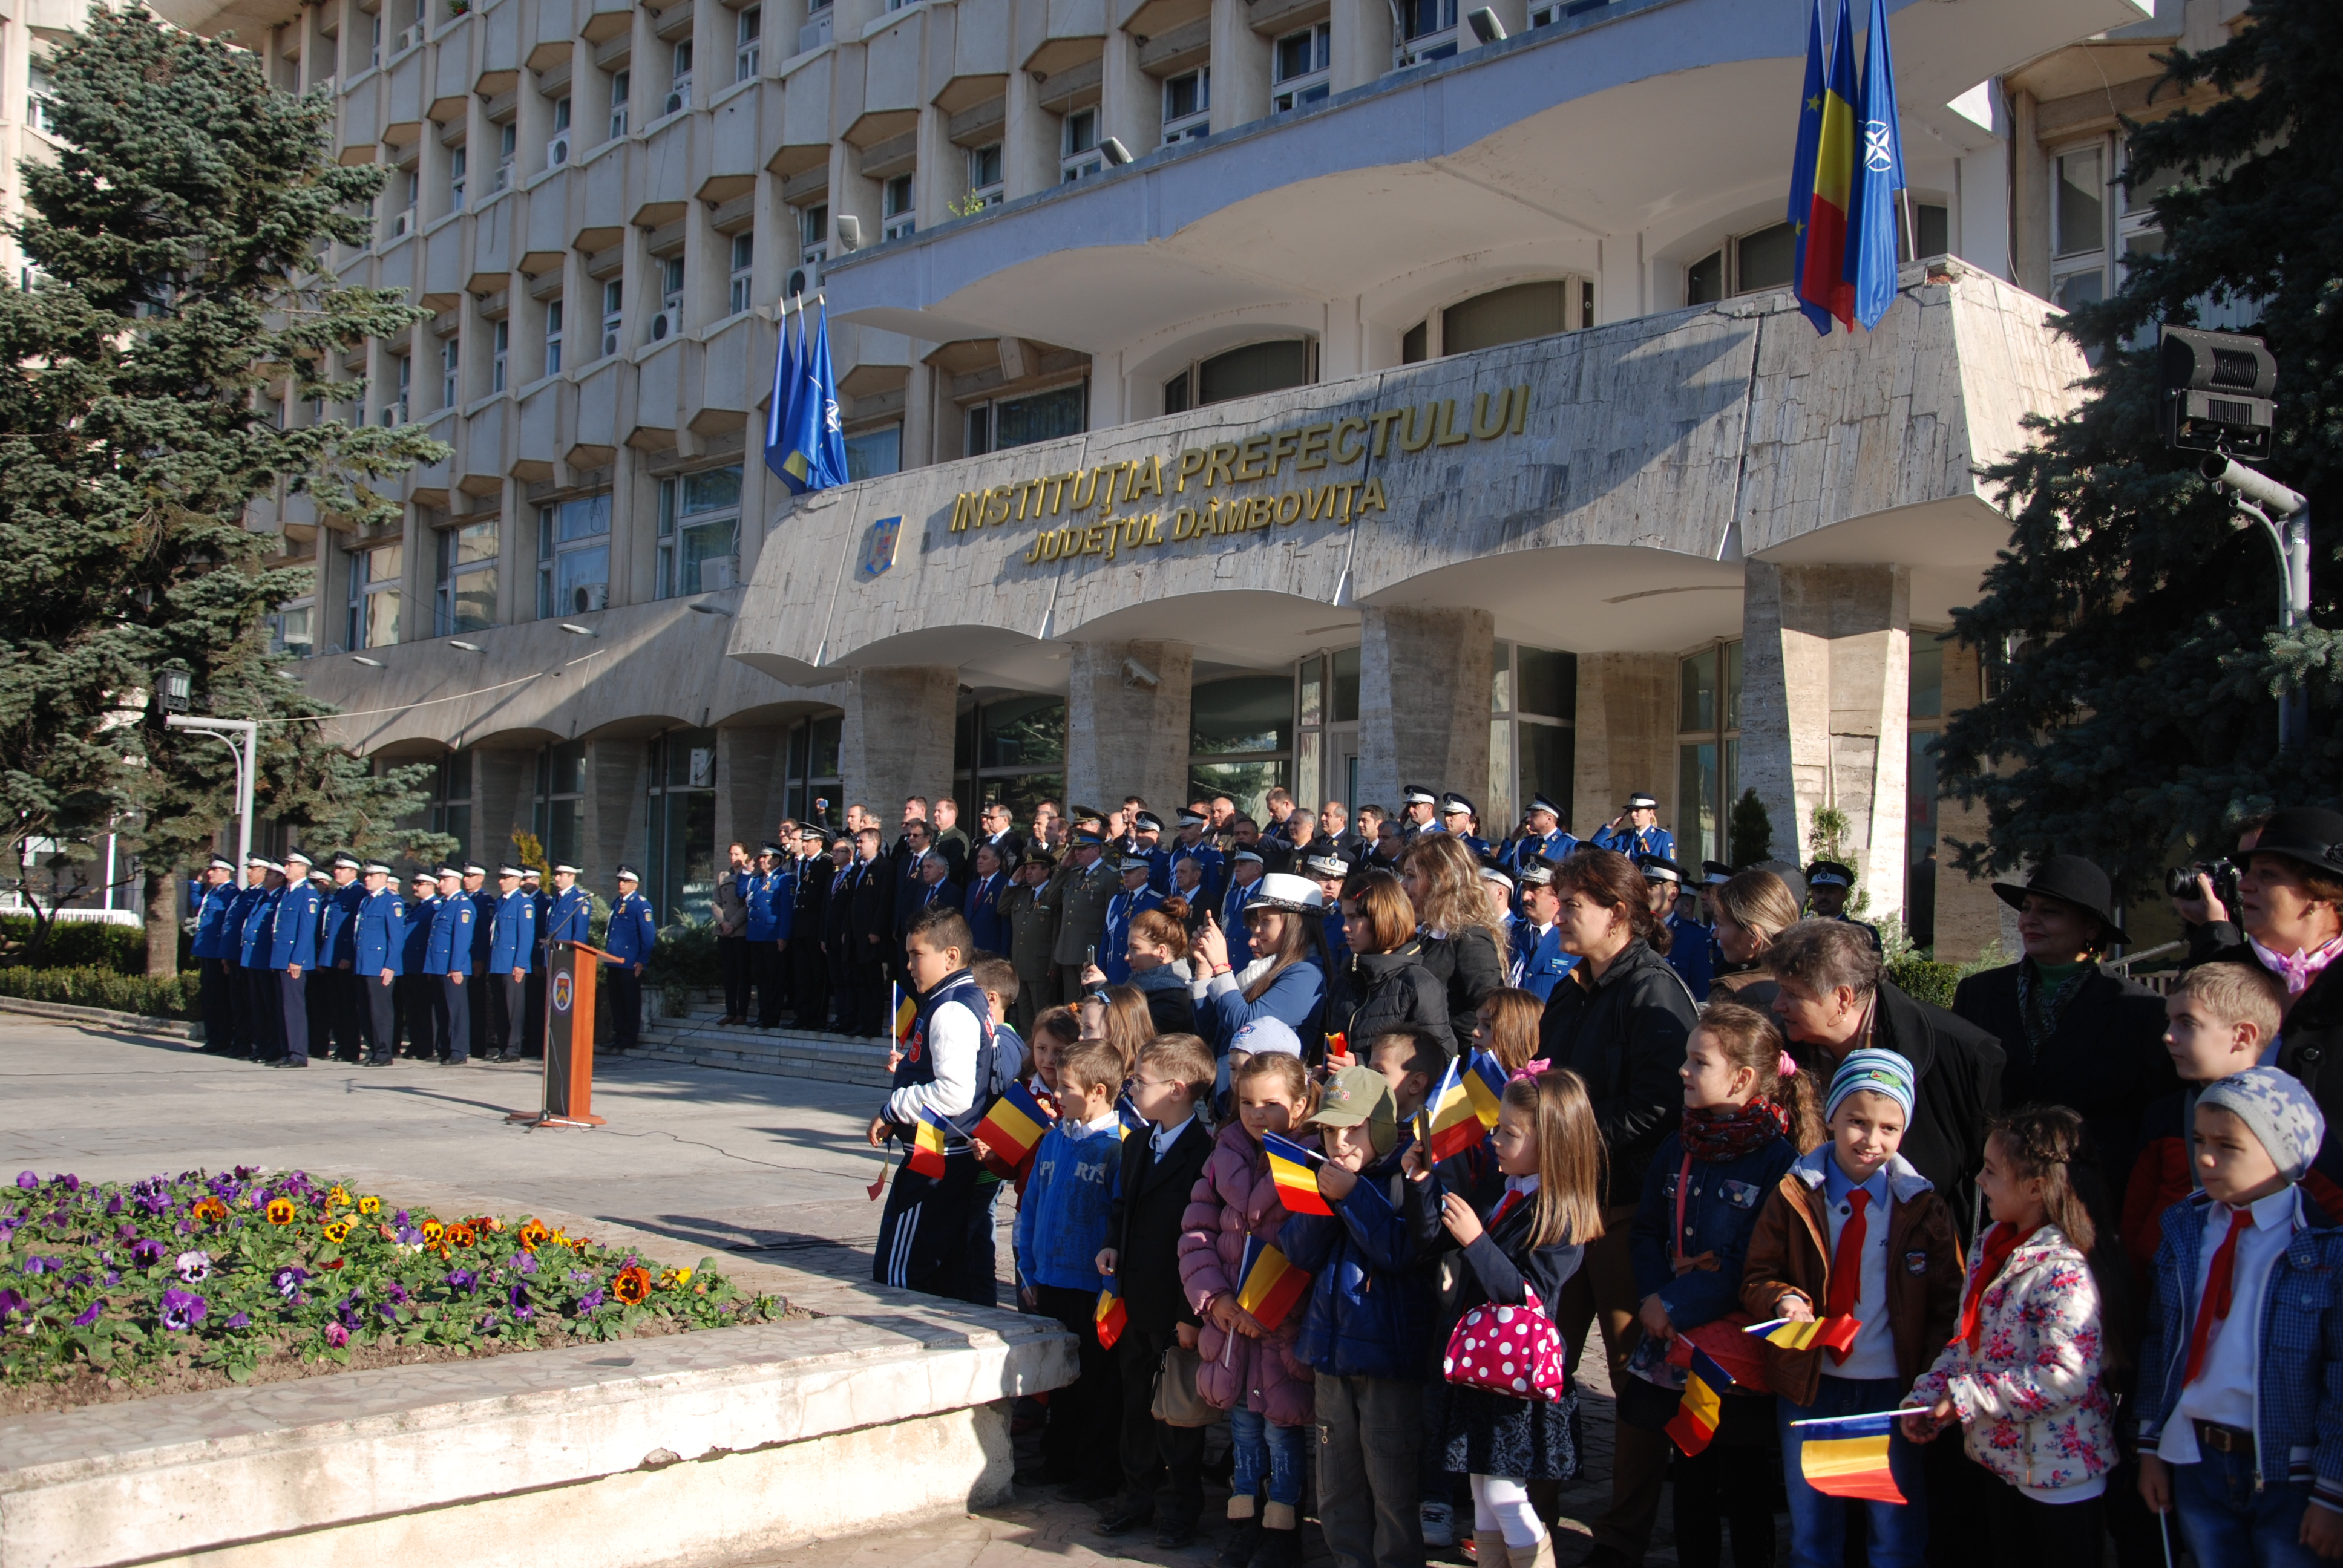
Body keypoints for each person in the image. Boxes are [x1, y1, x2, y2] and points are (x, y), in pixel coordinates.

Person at [1530, 846, 1699, 1567]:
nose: (1558, 915)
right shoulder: (1570, 990)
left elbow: (1662, 1104)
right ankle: (1529, 1515)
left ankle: (1622, 1537)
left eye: (1572, 905)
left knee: (1634, 1379)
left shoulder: (1652, 992)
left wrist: (1575, 1139)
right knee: (1539, 1362)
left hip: (1625, 1209)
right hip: (1560, 1204)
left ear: (1617, 913)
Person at [1741, 1048, 1963, 1568]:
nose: (1871, 1140)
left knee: (1893, 1533)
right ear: (1833, 1117)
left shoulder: (1922, 1207)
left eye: (1889, 1128)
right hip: (1813, 1387)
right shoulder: (1796, 1195)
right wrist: (1783, 1298)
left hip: (1890, 1391)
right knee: (1814, 1531)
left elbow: (1947, 1302)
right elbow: (1757, 1275)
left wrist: (1932, 1379)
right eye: (1858, 1122)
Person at [1627, 1001, 1818, 1568]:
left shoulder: (1778, 1163)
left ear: (1742, 1078)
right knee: (1690, 1472)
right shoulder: (1678, 1145)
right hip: (1677, 1345)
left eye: (1698, 1062)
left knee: (1743, 1482)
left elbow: (1753, 1260)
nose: (1683, 1071)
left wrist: (1677, 1302)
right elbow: (1647, 1229)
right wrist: (1653, 1296)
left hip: (1734, 1357)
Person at [2134, 1067, 2343, 1566]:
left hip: (2291, 1476)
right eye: (2199, 1141)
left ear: (2283, 1155)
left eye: (2227, 1146)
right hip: (2196, 1459)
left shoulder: (2325, 1250)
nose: (2205, 1158)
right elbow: (2160, 1340)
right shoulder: (2186, 1228)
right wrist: (2150, 1446)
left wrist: (2333, 1492)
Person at [1900, 1106, 2121, 1566]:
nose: (1978, 1180)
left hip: (2060, 1480)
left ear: (2036, 1187)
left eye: (1992, 1171)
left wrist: (1966, 1398)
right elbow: (1968, 1342)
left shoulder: (2064, 1270)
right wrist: (1929, 1394)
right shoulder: (1992, 1247)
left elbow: (2064, 1378)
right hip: (2002, 1466)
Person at [1410, 1068, 1606, 1568]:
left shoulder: (1560, 1215)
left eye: (1510, 1132)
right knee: (1482, 1492)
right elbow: (1433, 1240)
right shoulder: (1504, 1190)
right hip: (1485, 1368)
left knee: (1503, 1493)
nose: (1495, 1139)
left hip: (1518, 1377)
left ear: (1552, 1144)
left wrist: (1477, 1241)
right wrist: (1422, 1185)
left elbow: (1527, 1295)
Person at [1279, 1065, 1438, 1568]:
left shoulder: (1408, 1176)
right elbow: (1298, 1252)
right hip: (1332, 1354)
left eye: (1353, 1130)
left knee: (1391, 1481)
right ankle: (1349, 1559)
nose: (1339, 1143)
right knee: (1336, 1478)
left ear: (1383, 1128)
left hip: (1387, 1360)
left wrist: (1353, 1197)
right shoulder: (1324, 1175)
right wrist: (1325, 1199)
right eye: (1330, 1132)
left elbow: (1401, 1251)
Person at [1953, 855, 2175, 1214]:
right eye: (2027, 908)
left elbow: (2147, 1120)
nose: (2030, 920)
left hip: (2091, 1201)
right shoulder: (1979, 994)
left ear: (2091, 928)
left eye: (2050, 911)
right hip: (1998, 1198)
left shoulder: (2138, 1010)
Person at [1766, 918, 2006, 1238]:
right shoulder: (1778, 1051)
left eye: (1792, 993)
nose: (1777, 1005)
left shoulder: (1966, 1057)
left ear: (1843, 999)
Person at [1180, 1046, 1317, 1568]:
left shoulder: (1308, 1160)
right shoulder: (1224, 1154)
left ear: (1299, 1105)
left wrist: (1272, 1307)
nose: (1257, 1114)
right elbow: (1197, 1232)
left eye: (1271, 1104)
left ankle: (1283, 1529)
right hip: (1231, 1328)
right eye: (1247, 1103)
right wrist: (1214, 1298)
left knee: (1282, 1433)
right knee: (1242, 1432)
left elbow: (1311, 1244)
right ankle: (1244, 1523)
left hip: (1280, 1329)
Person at [1095, 1033, 1218, 1547]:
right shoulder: (1136, 1143)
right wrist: (1113, 1244)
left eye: (1139, 1081)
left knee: (1178, 1417)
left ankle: (1179, 1508)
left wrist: (1191, 1314)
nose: (1131, 1088)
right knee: (1136, 1406)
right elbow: (1125, 1205)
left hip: (1176, 1304)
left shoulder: (1204, 1153)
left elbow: (1204, 1237)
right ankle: (1136, 1495)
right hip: (1135, 1298)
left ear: (1176, 1089)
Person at [2191, 806, 2343, 1214]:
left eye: (2268, 875)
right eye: (2248, 873)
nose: (2245, 886)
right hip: (2231, 1217)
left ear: (2320, 893)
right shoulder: (2217, 977)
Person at [871, 904, 1009, 1304]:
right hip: (949, 1156)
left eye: (917, 954)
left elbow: (954, 1092)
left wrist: (893, 1107)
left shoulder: (951, 1007)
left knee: (899, 1275)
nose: (910, 965)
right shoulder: (961, 998)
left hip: (937, 1160)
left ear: (950, 956)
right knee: (941, 1278)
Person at [1011, 1037, 1129, 1501]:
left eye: (1066, 1088)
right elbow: (1032, 1208)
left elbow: (1119, 1221)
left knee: (1097, 1383)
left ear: (1098, 1092)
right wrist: (1029, 1269)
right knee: (1060, 1380)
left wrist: (1111, 1284)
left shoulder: (1117, 1148)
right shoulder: (1054, 1140)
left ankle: (1097, 1472)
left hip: (1093, 1287)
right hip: (1051, 1280)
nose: (1057, 1095)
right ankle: (1057, 1460)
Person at [2122, 962, 2285, 1279]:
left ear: (2242, 1036)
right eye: (2169, 1022)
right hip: (2169, 1287)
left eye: (2187, 1023)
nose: (2168, 1036)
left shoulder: (2289, 1119)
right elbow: (2134, 1227)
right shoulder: (2163, 1116)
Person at [1191, 872, 1330, 1057]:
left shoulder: (1306, 974)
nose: (1257, 929)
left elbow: (1247, 1030)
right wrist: (1204, 965)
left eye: (1266, 921)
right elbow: (1211, 1028)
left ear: (1295, 925)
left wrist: (1222, 968)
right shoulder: (1263, 969)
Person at [1404, 834, 1508, 1057]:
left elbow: (1490, 1008)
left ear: (1438, 880)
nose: (1403, 885)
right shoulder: (1422, 933)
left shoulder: (1470, 937)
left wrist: (1432, 1041)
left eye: (1411, 876)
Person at [1327, 872, 1449, 1051]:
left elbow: (1438, 1057)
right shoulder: (1345, 980)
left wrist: (1362, 1063)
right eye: (1345, 917)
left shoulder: (1419, 986)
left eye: (1354, 917)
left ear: (1382, 917)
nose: (1345, 927)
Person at [1708, 867, 1803, 1010]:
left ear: (1753, 936)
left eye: (1721, 924)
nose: (1716, 934)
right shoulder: (1815, 982)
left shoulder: (1733, 994)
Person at [266, 849, 320, 1068]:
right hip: (281, 957)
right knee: (282, 1007)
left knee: (293, 1008)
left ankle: (298, 1054)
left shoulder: (308, 893)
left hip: (293, 959)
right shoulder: (289, 892)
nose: (286, 868)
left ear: (302, 868)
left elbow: (306, 930)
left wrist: (297, 959)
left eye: (291, 864)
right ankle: (286, 1050)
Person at [1053, 828, 1118, 1004]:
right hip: (1068, 948)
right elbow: (1052, 899)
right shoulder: (1073, 873)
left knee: (1090, 1001)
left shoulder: (1110, 876)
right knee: (1071, 1002)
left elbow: (1111, 918)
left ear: (1096, 850)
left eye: (1082, 848)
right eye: (1075, 848)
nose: (1077, 852)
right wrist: (1063, 868)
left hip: (1090, 950)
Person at [352, 860, 405, 1068]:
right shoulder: (367, 901)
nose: (367, 879)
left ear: (384, 878)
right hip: (363, 963)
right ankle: (374, 1049)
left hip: (380, 965)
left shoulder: (392, 901)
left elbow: (396, 937)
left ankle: (384, 1052)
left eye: (371, 875)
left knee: (380, 1011)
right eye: (366, 875)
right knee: (366, 1009)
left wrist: (390, 965)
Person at [1000, 846, 1058, 1037]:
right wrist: (1013, 883)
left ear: (1046, 871)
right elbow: (1002, 908)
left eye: (1033, 868)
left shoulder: (1051, 894)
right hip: (1020, 964)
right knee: (1024, 1017)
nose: (1028, 872)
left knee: (1042, 1015)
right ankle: (1028, 1050)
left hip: (1041, 967)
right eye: (1027, 868)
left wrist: (1053, 964)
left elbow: (1056, 932)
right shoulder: (1023, 893)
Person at [423, 864, 477, 1065]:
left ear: (455, 881)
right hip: (439, 965)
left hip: (453, 967)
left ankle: (458, 1051)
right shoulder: (445, 904)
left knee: (456, 1010)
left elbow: (462, 940)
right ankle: (445, 1048)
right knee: (442, 1010)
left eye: (444, 880)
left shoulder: (463, 905)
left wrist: (456, 967)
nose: (440, 883)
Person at [1640, 855, 1713, 998]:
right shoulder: (1633, 930)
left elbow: (1701, 993)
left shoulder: (1694, 937)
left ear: (1673, 893)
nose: (1644, 893)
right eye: (1642, 887)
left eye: (1651, 887)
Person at [603, 865, 657, 1051]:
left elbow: (648, 936)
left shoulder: (641, 905)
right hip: (613, 960)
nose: (621, 884)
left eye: (626, 881)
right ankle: (618, 1034)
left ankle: (629, 1037)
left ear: (635, 885)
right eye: (620, 880)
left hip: (630, 962)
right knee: (616, 1001)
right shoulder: (616, 904)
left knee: (630, 1001)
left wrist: (642, 960)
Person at [1508, 858, 1577, 1002]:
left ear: (1557, 896)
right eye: (1524, 888)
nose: (1526, 897)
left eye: (1535, 889)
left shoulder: (1575, 940)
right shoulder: (1511, 934)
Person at [487, 863, 537, 1061]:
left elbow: (526, 936)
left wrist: (520, 964)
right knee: (500, 1008)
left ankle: (513, 1049)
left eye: (506, 878)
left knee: (513, 1010)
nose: (501, 881)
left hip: (512, 964)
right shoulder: (501, 901)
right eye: (501, 878)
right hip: (497, 962)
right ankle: (503, 1047)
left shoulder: (523, 903)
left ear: (516, 881)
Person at [320, 851, 366, 1063]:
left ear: (352, 872)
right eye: (336, 869)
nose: (336, 872)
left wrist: (347, 955)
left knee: (348, 1007)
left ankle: (351, 1048)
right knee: (335, 1006)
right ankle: (341, 1046)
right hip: (331, 956)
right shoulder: (339, 893)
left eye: (341, 869)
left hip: (344, 959)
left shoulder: (358, 893)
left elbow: (353, 929)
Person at [189, 857, 238, 1053]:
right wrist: (197, 883)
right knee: (209, 998)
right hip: (206, 950)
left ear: (226, 872)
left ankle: (222, 1040)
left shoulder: (230, 893)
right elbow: (197, 903)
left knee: (220, 999)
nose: (209, 873)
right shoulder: (213, 892)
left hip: (218, 952)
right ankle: (212, 1039)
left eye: (214, 870)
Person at [746, 842, 794, 1030]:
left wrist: (784, 935)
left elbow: (787, 910)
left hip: (773, 935)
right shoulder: (756, 879)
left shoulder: (784, 879)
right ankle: (763, 1014)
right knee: (762, 979)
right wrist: (746, 872)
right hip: (756, 934)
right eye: (761, 857)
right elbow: (741, 892)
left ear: (777, 861)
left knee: (774, 978)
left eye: (766, 858)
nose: (761, 861)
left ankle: (772, 1017)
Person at [793, 827, 835, 1030]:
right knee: (802, 974)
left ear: (819, 843)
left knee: (818, 974)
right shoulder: (804, 863)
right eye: (804, 841)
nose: (805, 845)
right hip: (801, 926)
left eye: (809, 842)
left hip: (815, 926)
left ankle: (817, 1016)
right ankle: (803, 1015)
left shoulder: (826, 862)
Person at [398, 869, 440, 1061]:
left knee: (424, 1010)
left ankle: (427, 1047)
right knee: (413, 1010)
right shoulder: (419, 907)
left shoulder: (435, 907)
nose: (414, 887)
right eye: (414, 883)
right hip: (410, 965)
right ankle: (415, 1044)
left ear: (431, 886)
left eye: (419, 884)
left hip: (423, 965)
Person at [1103, 856, 1163, 986]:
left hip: (1139, 975)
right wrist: (1102, 971)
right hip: (1114, 973)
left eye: (1130, 872)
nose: (1125, 876)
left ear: (1143, 874)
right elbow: (1107, 938)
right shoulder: (1117, 900)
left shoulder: (1156, 902)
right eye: (1124, 872)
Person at [1804, 860, 1883, 952]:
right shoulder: (1804, 933)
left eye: (1831, 891)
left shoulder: (1863, 934)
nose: (1824, 896)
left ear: (1844, 896)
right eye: (1819, 891)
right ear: (1812, 895)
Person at [714, 841, 752, 1026]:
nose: (733, 857)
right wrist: (723, 923)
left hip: (741, 931)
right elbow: (715, 902)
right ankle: (730, 1011)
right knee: (728, 974)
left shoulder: (751, 876)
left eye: (737, 854)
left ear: (745, 856)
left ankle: (742, 1012)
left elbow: (748, 905)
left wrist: (733, 923)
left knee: (743, 974)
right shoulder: (723, 876)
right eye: (731, 854)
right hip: (725, 932)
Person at [1472, 988, 1544, 1076]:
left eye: (1488, 1025)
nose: (1475, 1032)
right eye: (1476, 1024)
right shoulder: (1474, 1075)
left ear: (1519, 1035)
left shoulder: (1536, 1083)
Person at [1505, 793, 1576, 877]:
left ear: (1549, 819)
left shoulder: (1569, 844)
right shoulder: (1525, 844)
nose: (1528, 819)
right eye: (1529, 815)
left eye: (1534, 815)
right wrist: (1510, 843)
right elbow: (1503, 871)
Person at [1592, 792, 1674, 862]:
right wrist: (1610, 826)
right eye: (1631, 811)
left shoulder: (1661, 837)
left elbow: (1669, 869)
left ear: (1650, 814)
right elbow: (1593, 849)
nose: (1633, 815)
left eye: (1637, 811)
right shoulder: (1623, 837)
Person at [964, 841, 1009, 956]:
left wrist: (1004, 956)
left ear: (997, 862)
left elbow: (1006, 925)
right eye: (978, 857)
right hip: (970, 951)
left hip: (991, 952)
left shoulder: (1005, 885)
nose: (979, 861)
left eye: (985, 858)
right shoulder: (973, 886)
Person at [1434, 793, 1490, 858]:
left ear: (1465, 819)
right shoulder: (1439, 843)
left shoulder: (1477, 845)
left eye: (1452, 815)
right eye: (1446, 814)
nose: (1447, 819)